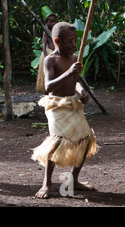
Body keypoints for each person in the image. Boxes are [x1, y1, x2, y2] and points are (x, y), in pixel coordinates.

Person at [31, 22, 99, 199]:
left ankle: (73, 180)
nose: (74, 45)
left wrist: (81, 91)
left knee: (85, 140)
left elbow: (75, 80)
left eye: (75, 41)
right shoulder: (50, 60)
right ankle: (47, 183)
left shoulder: (74, 57)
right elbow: (48, 86)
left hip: (72, 103)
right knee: (57, 142)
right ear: (57, 41)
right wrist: (69, 72)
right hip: (55, 106)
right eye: (70, 42)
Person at [36, 13, 56, 93]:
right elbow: (44, 44)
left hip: (54, 53)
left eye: (54, 21)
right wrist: (45, 56)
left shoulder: (55, 30)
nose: (53, 23)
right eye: (51, 21)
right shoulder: (46, 31)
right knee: (46, 73)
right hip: (48, 53)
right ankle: (46, 91)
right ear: (46, 22)